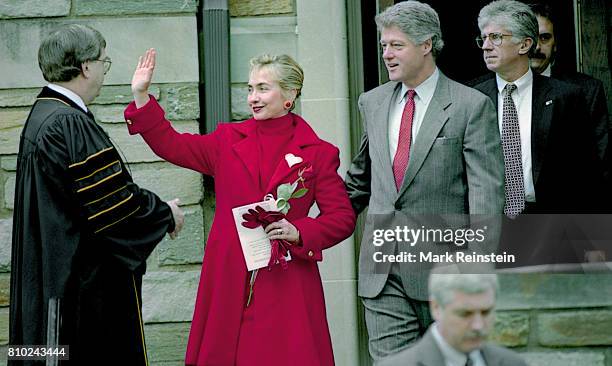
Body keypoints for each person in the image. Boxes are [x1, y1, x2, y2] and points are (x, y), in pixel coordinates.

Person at [124, 50, 356, 365]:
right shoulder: (226, 140)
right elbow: (172, 144)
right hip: (229, 277)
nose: (253, 98)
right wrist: (141, 96)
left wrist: (298, 231)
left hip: (287, 281)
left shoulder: (318, 154)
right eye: (250, 88)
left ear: (290, 94)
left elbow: (342, 218)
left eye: (263, 88)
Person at [9, 24, 184, 365]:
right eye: (104, 63)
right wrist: (164, 214)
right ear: (86, 66)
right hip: (79, 294)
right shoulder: (67, 123)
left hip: (50, 282)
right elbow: (113, 207)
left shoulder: (42, 114)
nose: (104, 72)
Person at [344, 1, 505, 361]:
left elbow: (486, 197)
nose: (386, 54)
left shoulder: (470, 105)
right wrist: (305, 223)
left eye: (396, 45)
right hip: (382, 272)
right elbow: (360, 182)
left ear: (426, 44)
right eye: (383, 45)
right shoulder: (372, 102)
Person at [471, 0, 605, 266]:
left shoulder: (566, 97)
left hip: (553, 231)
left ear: (524, 45)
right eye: (484, 38)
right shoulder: (471, 97)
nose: (486, 45)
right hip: (490, 231)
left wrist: (594, 241)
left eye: (496, 37)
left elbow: (586, 175)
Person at [529, 2, 610, 187]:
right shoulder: (494, 91)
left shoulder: (586, 90)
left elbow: (600, 162)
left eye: (544, 38)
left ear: (555, 44)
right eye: (529, 38)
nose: (537, 47)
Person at [378, 273, 528, 366]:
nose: (478, 325)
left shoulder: (513, 363)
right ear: (436, 307)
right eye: (465, 314)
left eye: (485, 312)